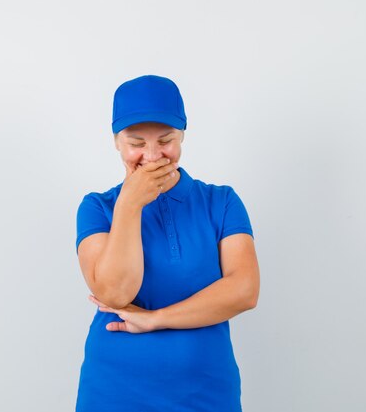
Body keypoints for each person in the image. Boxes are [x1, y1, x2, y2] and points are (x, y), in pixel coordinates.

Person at [74, 75, 260, 412]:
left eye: (166, 140)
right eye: (136, 143)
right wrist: (129, 204)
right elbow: (115, 293)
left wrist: (156, 318)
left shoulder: (221, 201)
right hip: (114, 392)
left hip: (204, 390)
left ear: (183, 135)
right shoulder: (97, 207)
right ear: (116, 141)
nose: (153, 155)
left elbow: (244, 290)